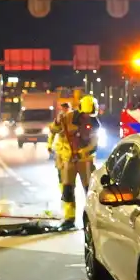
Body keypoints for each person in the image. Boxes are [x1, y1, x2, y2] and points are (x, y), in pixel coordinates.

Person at [50, 94, 101, 231]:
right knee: (67, 188)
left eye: (90, 115)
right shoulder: (67, 118)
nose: (88, 118)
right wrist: (57, 122)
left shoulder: (95, 123)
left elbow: (94, 145)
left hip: (85, 160)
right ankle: (69, 219)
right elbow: (53, 130)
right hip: (67, 159)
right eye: (85, 115)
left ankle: (92, 218)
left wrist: (81, 153)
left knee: (89, 189)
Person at [47, 102, 72, 192]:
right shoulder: (58, 119)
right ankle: (63, 190)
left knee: (69, 172)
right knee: (60, 170)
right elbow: (52, 132)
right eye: (63, 108)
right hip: (60, 150)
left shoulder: (73, 119)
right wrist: (49, 145)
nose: (64, 110)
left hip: (70, 150)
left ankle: (68, 189)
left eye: (66, 108)